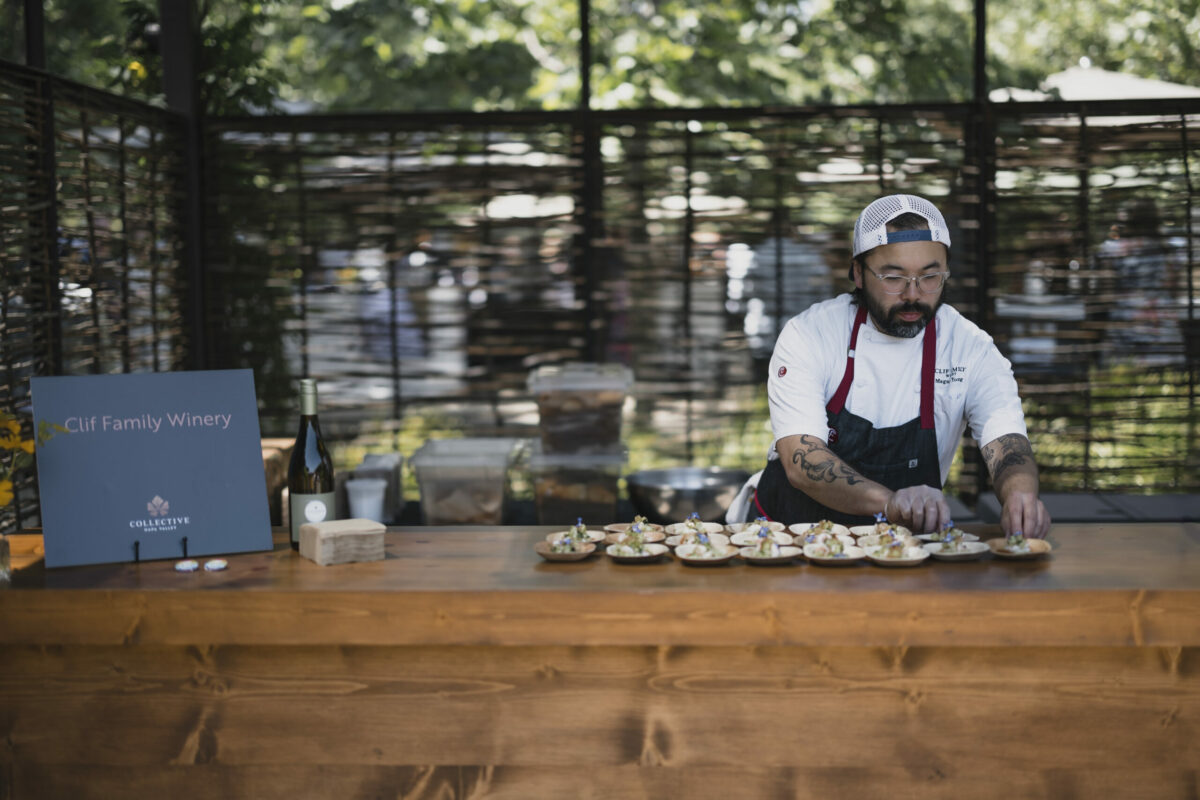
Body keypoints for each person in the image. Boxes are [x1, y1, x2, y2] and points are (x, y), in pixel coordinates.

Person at [748, 194, 1050, 537]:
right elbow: (802, 459)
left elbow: (1006, 439)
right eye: (893, 278)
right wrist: (891, 503)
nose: (913, 294)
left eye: (930, 276)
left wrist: (1019, 495)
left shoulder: (969, 347)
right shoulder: (811, 335)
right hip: (788, 540)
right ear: (859, 273)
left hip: (902, 548)